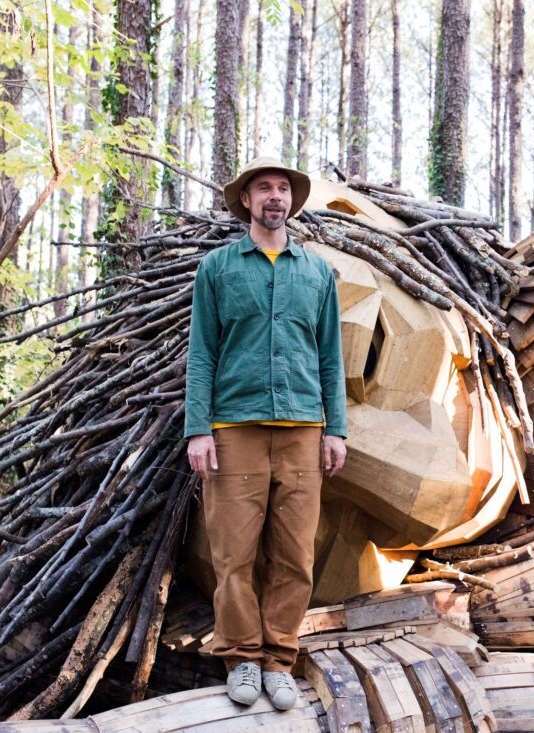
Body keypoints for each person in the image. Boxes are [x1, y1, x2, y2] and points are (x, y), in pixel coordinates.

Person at [183, 156, 347, 710]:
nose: (274, 197)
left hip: (304, 428)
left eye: (283, 189)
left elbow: (330, 359)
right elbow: (202, 352)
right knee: (234, 554)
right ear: (247, 202)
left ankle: (280, 659)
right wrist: (197, 430)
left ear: (291, 203)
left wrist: (336, 430)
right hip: (234, 429)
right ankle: (242, 660)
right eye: (263, 189)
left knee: (296, 555)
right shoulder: (219, 268)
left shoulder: (317, 272)